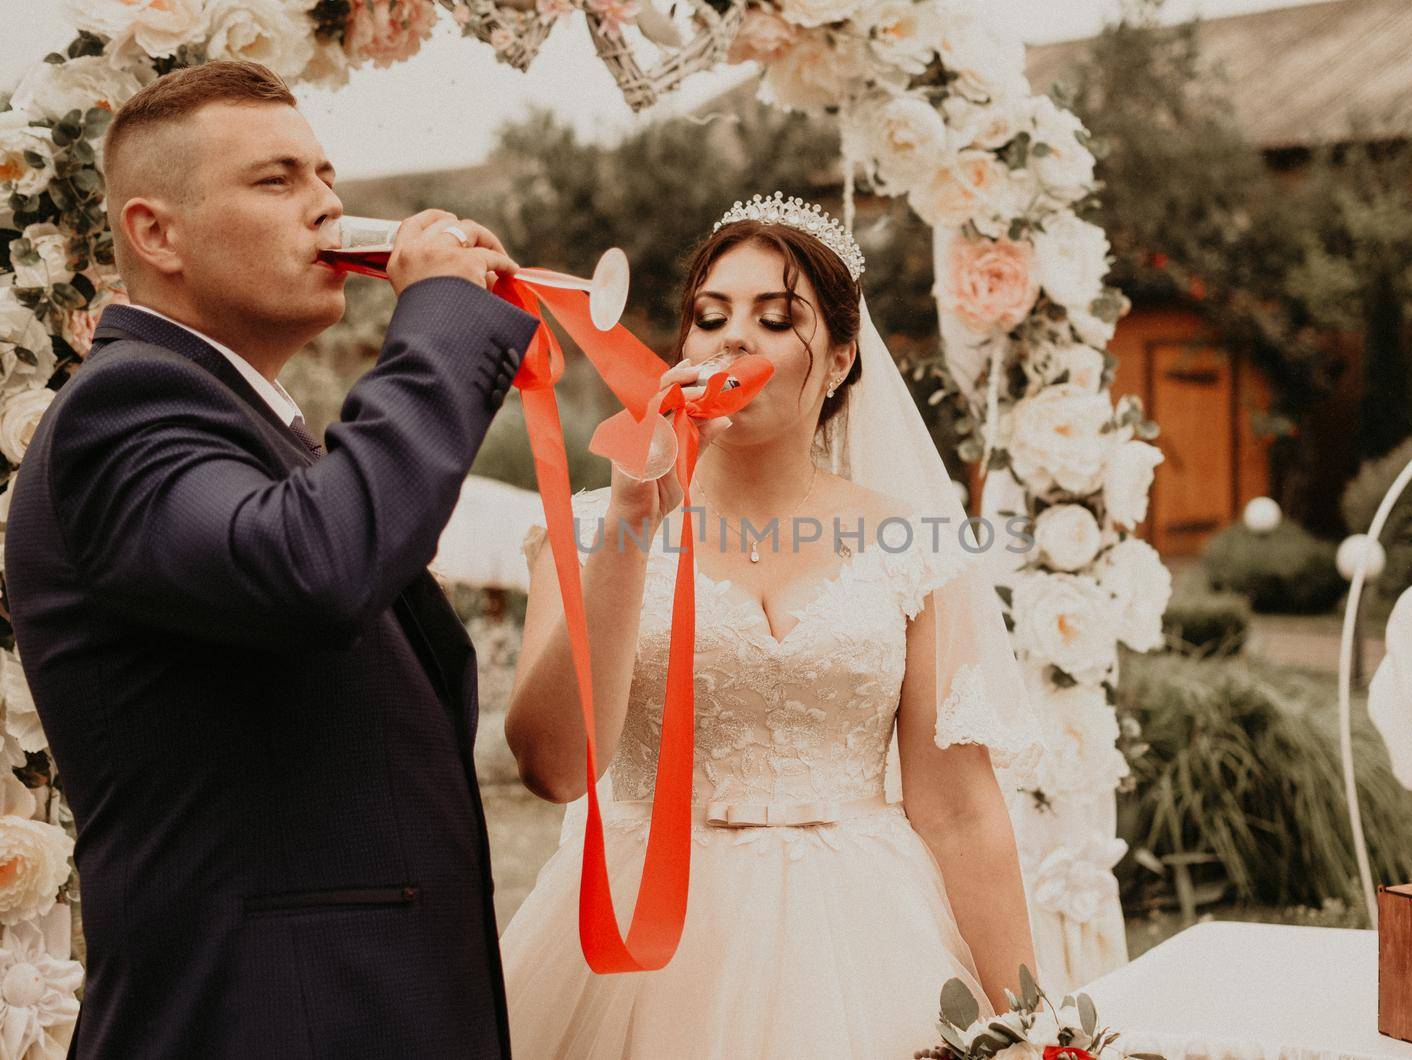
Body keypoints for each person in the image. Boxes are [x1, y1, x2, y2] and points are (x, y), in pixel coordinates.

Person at [5, 60, 532, 1058]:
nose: (328, 208)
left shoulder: (249, 429)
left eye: (326, 176)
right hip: (257, 1022)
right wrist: (442, 332)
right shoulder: (123, 413)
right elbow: (317, 565)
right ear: (155, 232)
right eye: (276, 180)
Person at [500, 193, 1045, 1056]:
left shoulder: (914, 544)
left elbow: (960, 813)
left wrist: (1035, 1024)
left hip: (866, 940)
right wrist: (635, 522)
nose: (732, 339)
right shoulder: (584, 528)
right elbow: (555, 767)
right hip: (646, 939)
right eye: (710, 317)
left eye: (776, 316)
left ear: (837, 361)